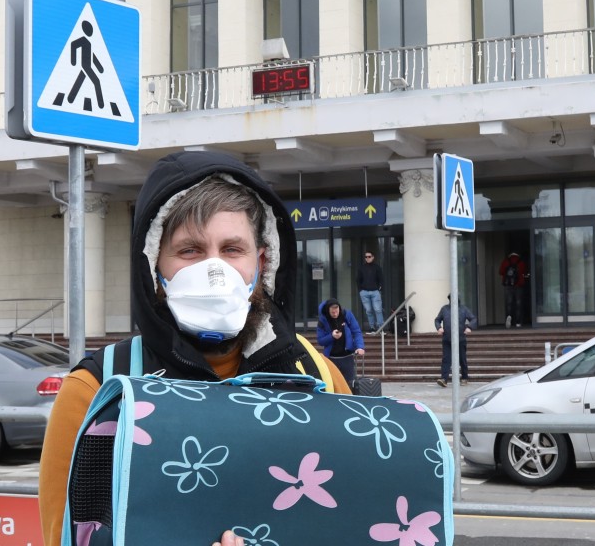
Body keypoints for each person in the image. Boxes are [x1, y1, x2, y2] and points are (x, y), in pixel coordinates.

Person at [38, 150, 350, 546]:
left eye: (232, 250)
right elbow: (66, 536)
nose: (214, 271)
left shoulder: (315, 374)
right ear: (154, 267)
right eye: (190, 251)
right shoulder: (97, 392)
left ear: (262, 263)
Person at [316, 298, 365, 385]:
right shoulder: (323, 320)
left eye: (337, 311)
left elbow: (356, 332)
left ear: (339, 308)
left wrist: (359, 347)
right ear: (328, 311)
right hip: (331, 358)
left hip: (347, 356)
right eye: (332, 312)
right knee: (333, 384)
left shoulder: (347, 315)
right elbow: (320, 340)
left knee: (349, 383)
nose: (335, 314)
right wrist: (332, 336)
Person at [434, 295, 477, 387]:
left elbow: (473, 319)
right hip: (447, 338)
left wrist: (469, 327)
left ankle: (464, 378)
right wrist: (439, 328)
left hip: (460, 338)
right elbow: (437, 320)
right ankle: (444, 379)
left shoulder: (463, 309)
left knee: (462, 359)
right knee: (446, 359)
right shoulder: (444, 309)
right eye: (450, 298)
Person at [356, 250, 384, 332]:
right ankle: (372, 327)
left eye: (369, 256)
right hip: (364, 292)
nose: (367, 258)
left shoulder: (377, 267)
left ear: (373, 257)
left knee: (378, 309)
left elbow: (381, 279)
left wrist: (380, 288)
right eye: (366, 257)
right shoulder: (361, 268)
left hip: (375, 292)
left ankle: (381, 327)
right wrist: (360, 290)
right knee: (368, 311)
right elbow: (358, 279)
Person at [499, 252, 527, 327]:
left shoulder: (505, 262)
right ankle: (518, 322)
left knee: (509, 303)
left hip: (508, 286)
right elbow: (524, 272)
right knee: (518, 303)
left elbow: (501, 272)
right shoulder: (521, 262)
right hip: (519, 285)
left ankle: (509, 319)